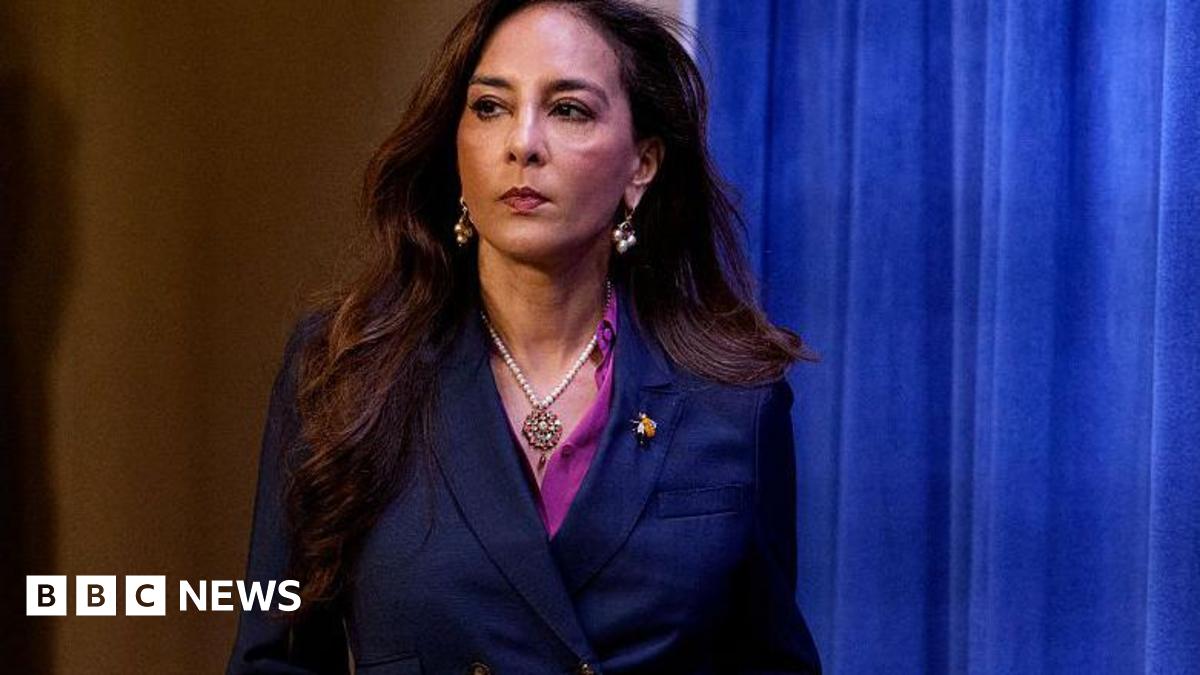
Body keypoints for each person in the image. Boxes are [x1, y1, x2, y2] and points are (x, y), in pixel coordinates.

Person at [226, 0, 821, 672]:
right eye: (489, 107)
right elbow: (276, 659)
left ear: (641, 165)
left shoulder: (733, 399)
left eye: (568, 109)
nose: (522, 143)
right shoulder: (342, 372)